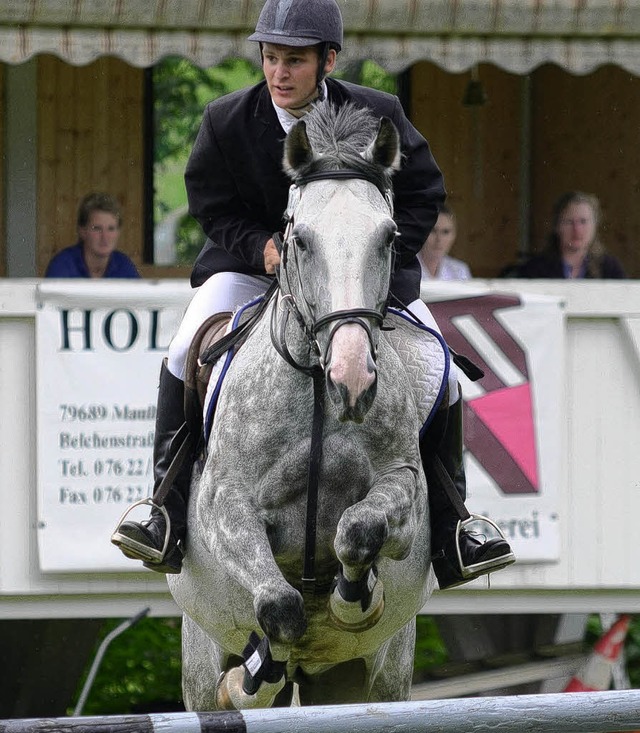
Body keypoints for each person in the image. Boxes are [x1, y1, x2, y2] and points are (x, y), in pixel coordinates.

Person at [111, 0, 514, 590]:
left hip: (356, 282)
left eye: (294, 61)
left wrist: (379, 268)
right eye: (271, 58)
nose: (279, 74)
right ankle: (164, 509)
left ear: (327, 60)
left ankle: (456, 525)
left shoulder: (378, 113)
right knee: (180, 352)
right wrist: (262, 248)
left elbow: (426, 190)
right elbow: (211, 205)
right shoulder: (228, 119)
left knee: (444, 369)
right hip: (256, 268)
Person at [516, 191, 626, 279]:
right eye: (569, 222)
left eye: (583, 221)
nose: (577, 230)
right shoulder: (535, 269)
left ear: (595, 225)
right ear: (557, 226)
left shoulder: (609, 268)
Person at [45, 192, 140, 279]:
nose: (105, 236)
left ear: (118, 232)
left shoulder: (124, 265)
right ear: (82, 231)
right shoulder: (63, 265)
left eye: (111, 229)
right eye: (97, 228)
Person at [418, 204, 471, 281]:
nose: (439, 239)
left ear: (454, 235)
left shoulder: (460, 271)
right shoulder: (404, 269)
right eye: (433, 231)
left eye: (445, 232)